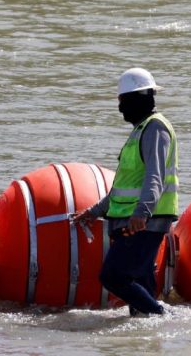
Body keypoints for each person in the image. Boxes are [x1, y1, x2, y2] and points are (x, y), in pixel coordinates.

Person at [74, 67, 179, 316]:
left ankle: (164, 318)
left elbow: (156, 176)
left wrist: (141, 214)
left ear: (138, 99)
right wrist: (93, 212)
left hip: (144, 222)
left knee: (113, 276)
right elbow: (121, 188)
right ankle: (149, 338)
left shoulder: (155, 129)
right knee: (140, 285)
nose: (120, 108)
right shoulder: (140, 131)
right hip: (135, 220)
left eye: (123, 101)